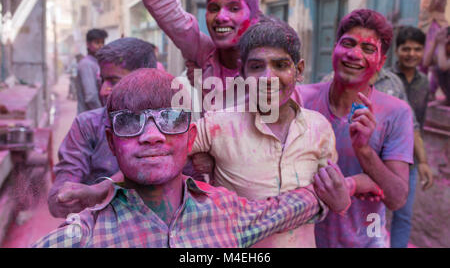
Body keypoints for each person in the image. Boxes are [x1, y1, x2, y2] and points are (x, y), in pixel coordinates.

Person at [32, 68, 350, 248]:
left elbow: (282, 210)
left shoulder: (226, 212)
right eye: (130, 123)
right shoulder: (85, 236)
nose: (152, 135)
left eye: (170, 119)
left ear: (191, 138)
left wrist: (332, 195)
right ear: (112, 143)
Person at [190, 17, 383, 248]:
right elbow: (167, 151)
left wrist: (342, 198)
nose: (268, 78)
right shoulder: (216, 125)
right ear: (242, 73)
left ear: (298, 70)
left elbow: (330, 196)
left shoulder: (318, 128)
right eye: (256, 67)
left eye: (280, 65)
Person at [299, 9, 414, 248]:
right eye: (348, 43)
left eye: (368, 49)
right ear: (335, 49)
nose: (354, 54)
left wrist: (364, 151)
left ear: (381, 62)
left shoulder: (396, 113)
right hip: (304, 241)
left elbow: (397, 198)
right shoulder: (302, 100)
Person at [137, 0, 302, 107]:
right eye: (214, 9)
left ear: (255, 17)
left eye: (234, 8)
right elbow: (159, 1)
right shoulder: (203, 53)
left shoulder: (271, 66)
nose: (220, 17)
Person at [48, 38, 157, 218]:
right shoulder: (87, 125)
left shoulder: (169, 126)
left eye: (114, 81)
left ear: (144, 81)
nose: (103, 91)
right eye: (103, 81)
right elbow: (58, 199)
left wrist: (101, 190)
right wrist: (68, 195)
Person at [388, 26, 434, 248]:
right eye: (406, 49)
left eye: (417, 49)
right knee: (371, 212)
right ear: (397, 51)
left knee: (403, 216)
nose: (411, 54)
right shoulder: (386, 80)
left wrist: (422, 160)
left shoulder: (424, 82)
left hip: (410, 161)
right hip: (383, 158)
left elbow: (418, 123)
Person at [416, 0, 450, 98]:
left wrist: (435, 4)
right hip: (432, 23)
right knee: (428, 61)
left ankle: (426, 91)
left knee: (432, 60)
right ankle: (426, 91)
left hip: (433, 24)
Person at [75, 29, 108, 114]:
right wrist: (104, 115)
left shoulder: (97, 62)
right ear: (88, 44)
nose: (101, 46)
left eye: (102, 42)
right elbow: (91, 97)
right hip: (89, 119)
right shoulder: (86, 64)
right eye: (97, 43)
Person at [423, 25, 450, 105]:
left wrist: (441, 44)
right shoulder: (443, 52)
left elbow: (443, 67)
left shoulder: (442, 47)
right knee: (436, 68)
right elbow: (426, 63)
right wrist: (435, 42)